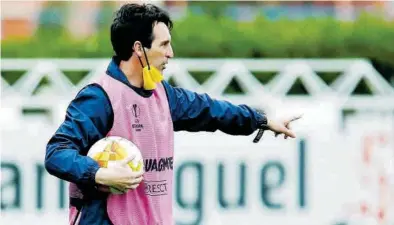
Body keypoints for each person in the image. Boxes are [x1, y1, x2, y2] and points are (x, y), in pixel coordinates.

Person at [44, 3, 302, 225]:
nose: (171, 53)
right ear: (139, 49)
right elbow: (57, 152)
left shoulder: (163, 95)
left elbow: (212, 110)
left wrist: (263, 120)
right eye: (164, 44)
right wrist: (99, 173)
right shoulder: (99, 98)